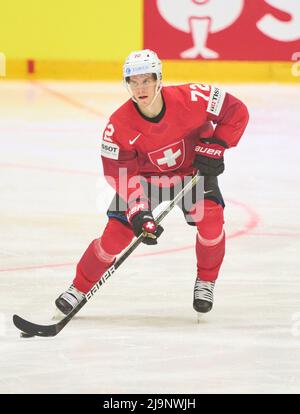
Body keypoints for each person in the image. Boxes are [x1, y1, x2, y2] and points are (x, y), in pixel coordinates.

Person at [55, 49, 249, 316]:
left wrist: (216, 145)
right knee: (113, 239)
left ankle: (206, 280)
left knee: (212, 223)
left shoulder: (194, 97)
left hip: (192, 174)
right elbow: (119, 172)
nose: (140, 88)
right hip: (146, 181)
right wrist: (138, 211)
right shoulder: (118, 125)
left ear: (159, 79)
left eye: (146, 80)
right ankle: (78, 288)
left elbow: (236, 111)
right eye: (133, 81)